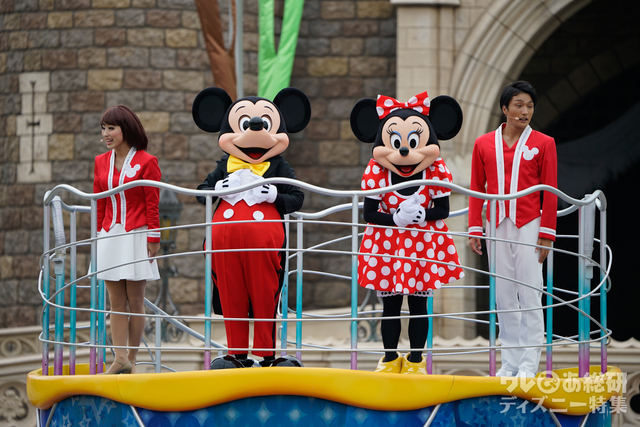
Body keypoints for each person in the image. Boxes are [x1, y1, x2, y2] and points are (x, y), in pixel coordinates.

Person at [350, 91, 465, 374]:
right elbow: (369, 213)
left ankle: (415, 360)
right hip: (388, 247)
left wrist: (423, 214)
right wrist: (395, 219)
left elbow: (443, 209)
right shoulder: (376, 171)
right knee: (390, 306)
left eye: (413, 142)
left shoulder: (435, 170)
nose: (404, 151)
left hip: (421, 246)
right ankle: (390, 358)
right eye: (396, 142)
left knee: (418, 305)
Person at [468, 81, 558, 378]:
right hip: (495, 224)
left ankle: (530, 362)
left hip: (529, 223)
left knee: (530, 292)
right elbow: (476, 187)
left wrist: (547, 233)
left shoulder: (544, 143)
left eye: (530, 106)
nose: (525, 111)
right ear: (505, 108)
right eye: (519, 105)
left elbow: (550, 190)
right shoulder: (483, 143)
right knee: (504, 294)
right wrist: (474, 227)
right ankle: (510, 361)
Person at [94, 105, 161, 374]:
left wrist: (154, 236)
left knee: (135, 300)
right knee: (115, 302)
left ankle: (131, 359)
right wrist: (98, 236)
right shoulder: (100, 161)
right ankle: (119, 358)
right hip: (110, 235)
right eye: (103, 128)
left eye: (111, 128)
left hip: (136, 234)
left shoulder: (147, 161)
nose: (105, 133)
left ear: (126, 129)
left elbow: (152, 202)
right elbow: (99, 202)